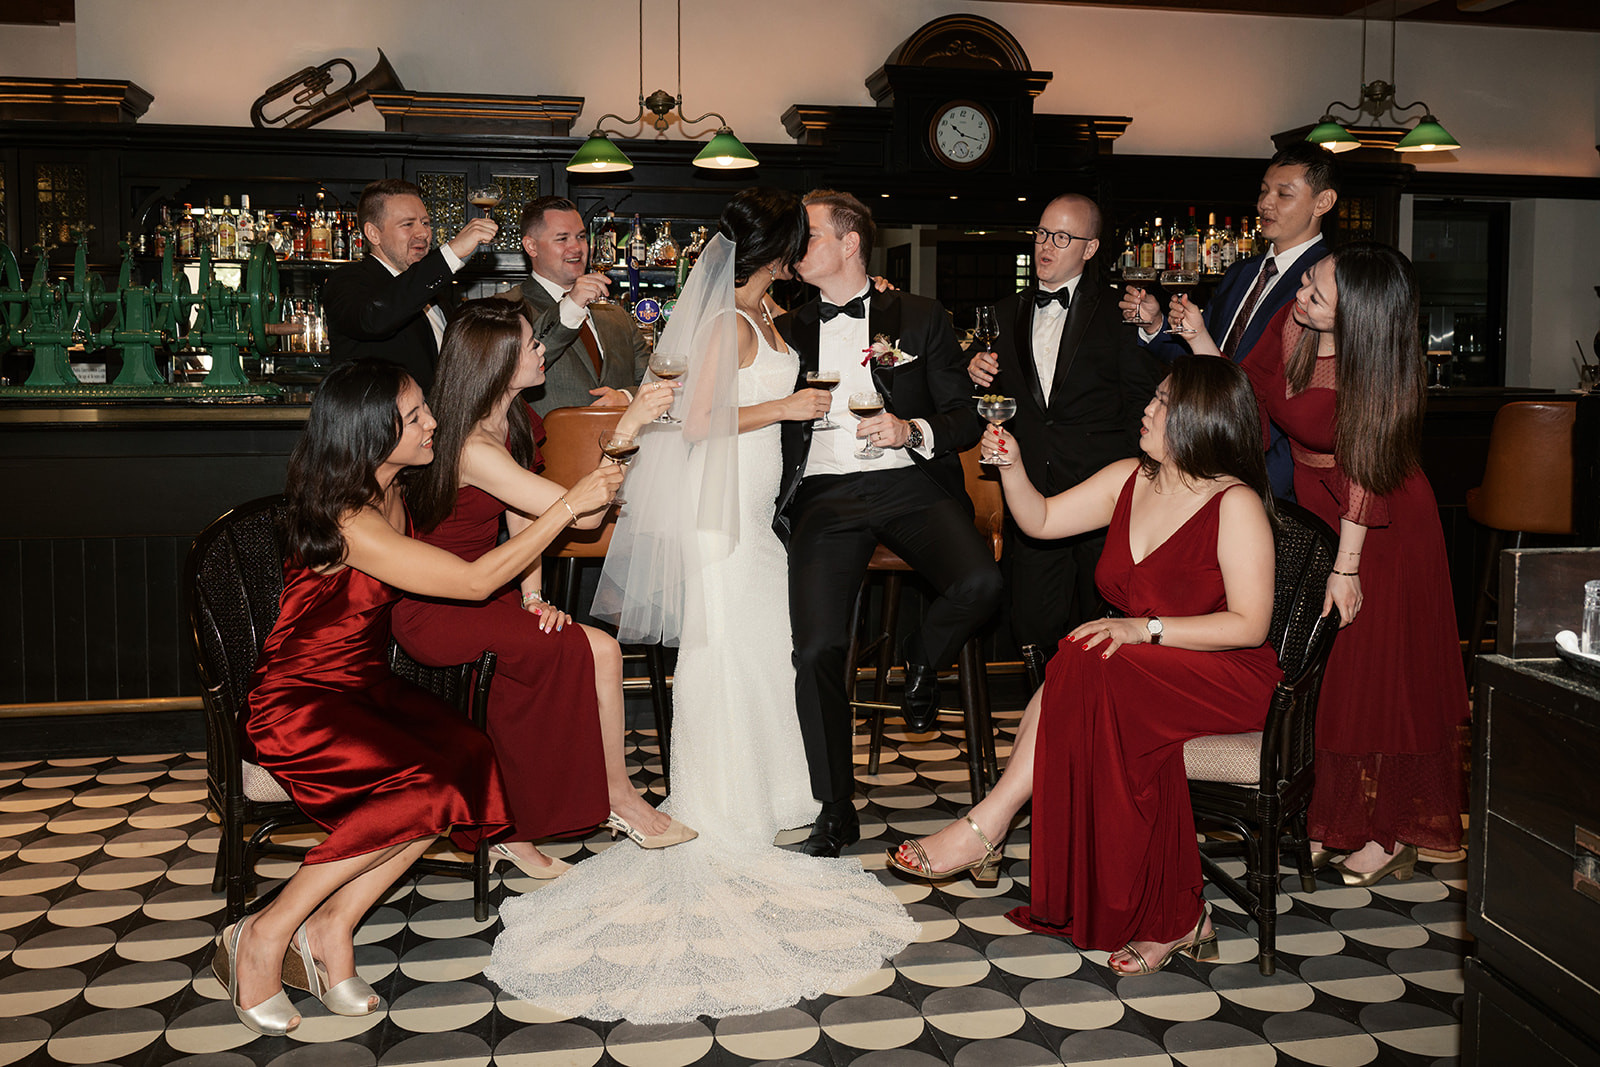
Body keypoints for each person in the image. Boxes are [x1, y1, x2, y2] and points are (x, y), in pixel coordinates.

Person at [485, 188, 917, 1023]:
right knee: (728, 646)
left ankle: (778, 791)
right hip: (723, 517)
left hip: (754, 508)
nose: (803, 253)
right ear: (776, 252)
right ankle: (721, 802)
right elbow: (694, 422)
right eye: (796, 242)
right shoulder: (726, 323)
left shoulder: (764, 316)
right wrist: (785, 405)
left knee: (763, 646)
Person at [223, 358, 621, 1036]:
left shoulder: (394, 490)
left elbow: (468, 556)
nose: (433, 420)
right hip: (298, 700)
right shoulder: (351, 517)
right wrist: (563, 507)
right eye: (414, 417)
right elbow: (471, 583)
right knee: (426, 787)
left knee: (468, 759)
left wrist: (531, 583)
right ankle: (264, 930)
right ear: (372, 436)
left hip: (364, 685)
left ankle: (332, 926)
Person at [888, 356, 1281, 976]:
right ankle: (1177, 914)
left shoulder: (1234, 503)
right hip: (1136, 667)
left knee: (1086, 653)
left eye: (1162, 401)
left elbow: (1250, 625)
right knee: (1087, 655)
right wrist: (1012, 468)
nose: (1147, 408)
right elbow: (1041, 521)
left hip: (1222, 675)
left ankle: (987, 823)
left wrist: (1144, 628)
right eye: (1153, 396)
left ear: (1199, 418)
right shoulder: (1130, 478)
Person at [1173, 240, 1467, 885]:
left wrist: (1347, 567)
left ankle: (1388, 833)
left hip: (1379, 524)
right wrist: (1199, 342)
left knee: (1375, 677)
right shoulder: (1294, 323)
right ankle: (1336, 817)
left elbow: (1365, 472)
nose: (1301, 295)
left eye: (1316, 294)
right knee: (1325, 672)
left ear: (1357, 317)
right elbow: (1247, 394)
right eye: (1307, 281)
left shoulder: (1375, 371)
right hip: (1319, 507)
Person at [393, 300, 692, 880]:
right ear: (498, 363)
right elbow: (579, 517)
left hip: (488, 592)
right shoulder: (474, 447)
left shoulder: (507, 420)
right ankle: (618, 798)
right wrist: (628, 427)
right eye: (531, 344)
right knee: (600, 648)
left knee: (583, 647)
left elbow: (521, 518)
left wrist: (531, 597)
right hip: (439, 605)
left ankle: (515, 826)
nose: (541, 351)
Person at [776, 189, 1003, 857]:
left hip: (909, 483)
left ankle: (920, 657)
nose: (797, 246)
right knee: (817, 649)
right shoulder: (787, 328)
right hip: (824, 494)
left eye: (809, 234)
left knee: (982, 584)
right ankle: (834, 807)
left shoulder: (922, 316)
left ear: (850, 243)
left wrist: (912, 429)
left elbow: (963, 416)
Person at [968, 192, 1164, 683]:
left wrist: (1136, 485)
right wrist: (972, 373)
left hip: (1104, 497)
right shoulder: (1004, 311)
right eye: (1041, 234)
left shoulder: (1120, 312)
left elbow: (1143, 401)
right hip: (1033, 493)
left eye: (1061, 237)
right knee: (1033, 626)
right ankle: (1045, 717)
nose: (1045, 246)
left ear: (1090, 248)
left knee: (1105, 626)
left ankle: (1097, 722)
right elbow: (983, 397)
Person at [1120, 141, 1340, 498]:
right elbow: (1206, 362)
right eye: (1264, 191)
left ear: (1323, 202)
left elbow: (1308, 408)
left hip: (1273, 475)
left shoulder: (1327, 283)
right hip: (1207, 453)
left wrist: (1261, 484)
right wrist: (1157, 325)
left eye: (1283, 194)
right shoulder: (1242, 273)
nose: (1265, 204)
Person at [323, 179, 498, 393]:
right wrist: (452, 252)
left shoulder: (432, 290)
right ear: (373, 233)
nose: (423, 233)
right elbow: (375, 317)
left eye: (425, 223)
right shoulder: (346, 280)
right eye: (408, 224)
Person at [504, 196, 651, 416]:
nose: (576, 247)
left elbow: (652, 380)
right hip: (547, 438)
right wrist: (571, 304)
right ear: (531, 246)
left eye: (581, 237)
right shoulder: (508, 308)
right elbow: (509, 373)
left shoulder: (617, 316)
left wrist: (627, 397)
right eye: (562, 239)